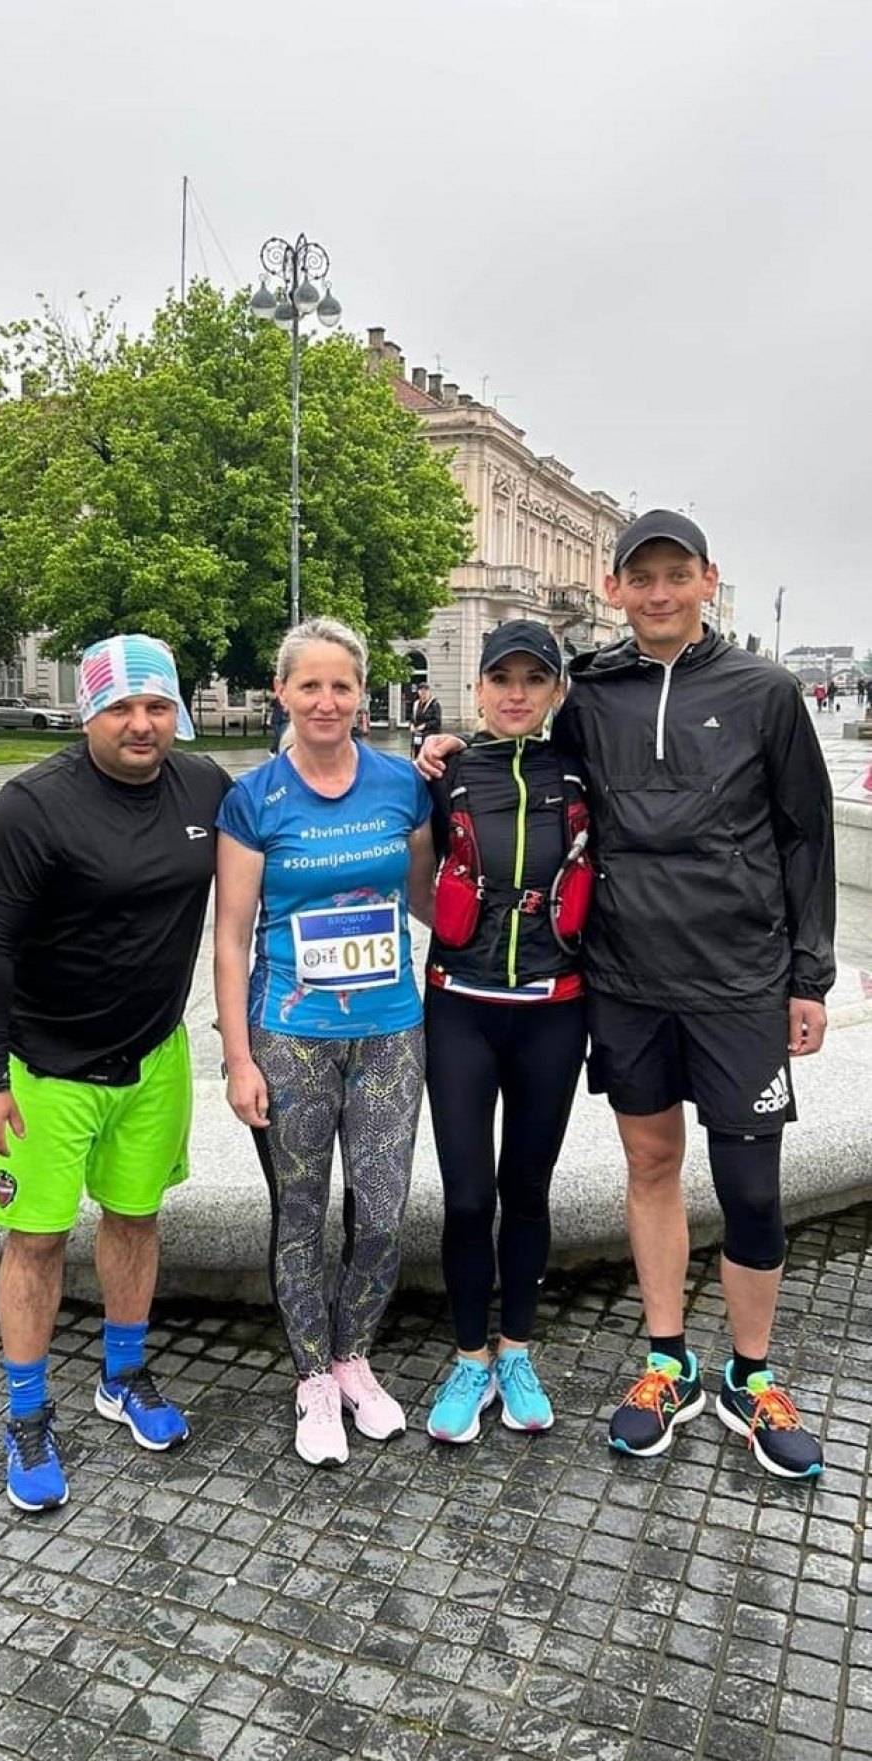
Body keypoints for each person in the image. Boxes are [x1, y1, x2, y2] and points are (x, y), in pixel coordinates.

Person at [419, 510, 835, 1480]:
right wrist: (440, 753)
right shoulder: (591, 694)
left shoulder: (767, 691)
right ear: (614, 590)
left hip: (740, 982)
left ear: (707, 580)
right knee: (651, 1165)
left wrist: (807, 975)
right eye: (640, 577)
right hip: (628, 983)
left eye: (675, 575)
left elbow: (806, 833)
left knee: (752, 1190)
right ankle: (666, 1363)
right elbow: (519, 754)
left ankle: (753, 1376)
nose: (658, 593)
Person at [0, 634, 230, 1511]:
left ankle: (122, 1375)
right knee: (36, 1239)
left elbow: (298, 801)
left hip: (153, 1056)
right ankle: (26, 1412)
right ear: (88, 712)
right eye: (120, 707)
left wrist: (432, 759)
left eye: (157, 705)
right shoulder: (32, 806)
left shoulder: (205, 785)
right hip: (45, 1068)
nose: (141, 723)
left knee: (135, 1217)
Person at [214, 616, 435, 1469]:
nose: (326, 700)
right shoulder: (254, 799)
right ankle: (311, 1374)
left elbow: (429, 899)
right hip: (291, 1036)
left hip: (389, 1034)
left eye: (341, 685)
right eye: (309, 684)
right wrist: (239, 1058)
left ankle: (353, 1356)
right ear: (282, 692)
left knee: (380, 1212)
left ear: (362, 693)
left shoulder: (401, 785)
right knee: (299, 1213)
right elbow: (231, 937)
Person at [424, 621, 589, 1445]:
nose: (516, 693)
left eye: (534, 678)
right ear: (479, 688)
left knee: (526, 1189)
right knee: (466, 1196)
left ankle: (516, 1350)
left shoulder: (581, 771)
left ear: (557, 690)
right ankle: (468, 1358)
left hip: (554, 1008)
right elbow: (404, 875)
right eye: (502, 678)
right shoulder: (445, 773)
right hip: (460, 1004)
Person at [409, 682, 442, 759]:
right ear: (418, 692)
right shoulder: (416, 704)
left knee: (427, 757)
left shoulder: (435, 704)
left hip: (429, 737)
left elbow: (437, 721)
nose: (423, 693)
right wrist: (411, 725)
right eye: (421, 690)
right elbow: (412, 718)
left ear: (429, 692)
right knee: (417, 756)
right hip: (417, 736)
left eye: (425, 690)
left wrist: (425, 726)